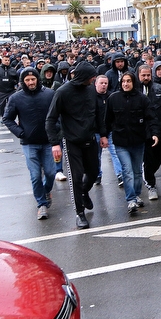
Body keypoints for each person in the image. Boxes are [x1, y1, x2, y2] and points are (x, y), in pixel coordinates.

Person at [46, 61, 108, 229]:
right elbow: (51, 119)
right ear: (83, 77)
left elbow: (98, 114)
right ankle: (79, 213)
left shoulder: (91, 91)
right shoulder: (62, 92)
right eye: (91, 77)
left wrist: (103, 135)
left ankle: (84, 192)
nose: (93, 80)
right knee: (76, 176)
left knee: (94, 172)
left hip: (91, 138)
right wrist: (54, 143)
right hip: (71, 141)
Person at [2, 67, 57, 220]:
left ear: (37, 79)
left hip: (48, 142)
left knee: (51, 173)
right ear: (23, 82)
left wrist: (56, 132)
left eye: (33, 79)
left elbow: (57, 114)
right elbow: (7, 119)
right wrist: (20, 133)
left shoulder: (49, 94)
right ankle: (41, 205)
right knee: (35, 176)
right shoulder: (16, 98)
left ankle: (46, 191)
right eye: (27, 80)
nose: (31, 82)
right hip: (29, 143)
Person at [107, 72, 158, 215]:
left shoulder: (142, 99)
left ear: (133, 82)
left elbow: (151, 117)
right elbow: (107, 119)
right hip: (121, 142)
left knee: (137, 171)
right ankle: (130, 200)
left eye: (128, 81)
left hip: (138, 141)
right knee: (127, 170)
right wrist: (104, 136)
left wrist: (154, 133)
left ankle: (135, 194)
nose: (126, 84)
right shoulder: (113, 99)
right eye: (123, 81)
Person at [137, 65, 161, 201]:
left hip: (159, 128)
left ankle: (149, 173)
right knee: (148, 158)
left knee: (159, 156)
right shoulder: (135, 90)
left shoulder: (159, 89)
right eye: (143, 75)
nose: (146, 78)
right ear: (139, 75)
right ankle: (151, 184)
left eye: (148, 75)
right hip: (142, 130)